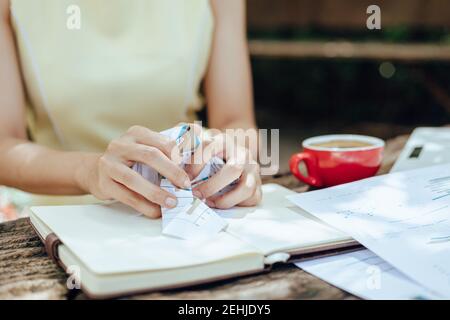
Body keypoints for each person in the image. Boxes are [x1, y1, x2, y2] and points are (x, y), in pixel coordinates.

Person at [0, 0, 262, 219]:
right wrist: (90, 172)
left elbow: (235, 119)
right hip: (66, 221)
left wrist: (235, 154)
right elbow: (4, 144)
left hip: (189, 211)